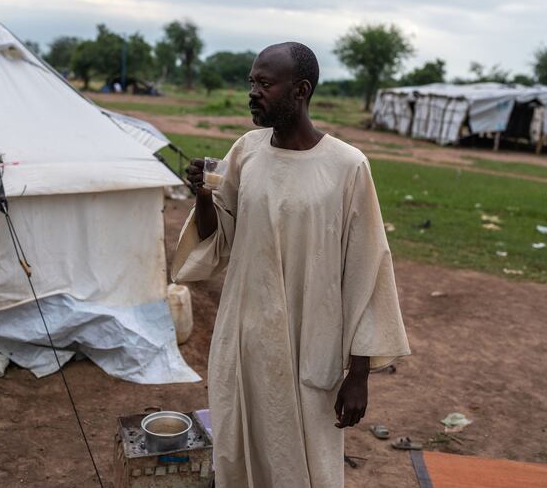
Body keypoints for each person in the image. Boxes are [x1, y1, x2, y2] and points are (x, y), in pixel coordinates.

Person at [172, 42, 410, 487]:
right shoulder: (246, 150)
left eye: (265, 83)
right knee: (238, 453)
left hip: (308, 342)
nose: (253, 92)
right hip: (244, 337)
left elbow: (368, 269)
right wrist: (203, 195)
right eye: (251, 82)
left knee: (302, 464)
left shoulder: (347, 166)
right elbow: (218, 238)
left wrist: (359, 376)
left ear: (300, 90)